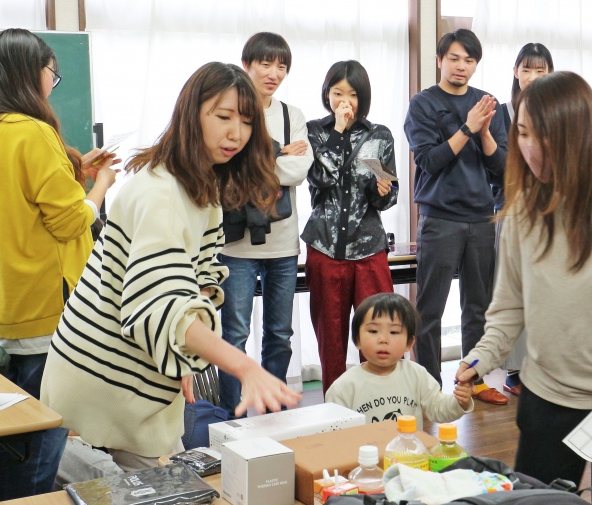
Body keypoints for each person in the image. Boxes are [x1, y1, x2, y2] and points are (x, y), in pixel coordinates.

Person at [40, 62, 301, 472]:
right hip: (105, 377)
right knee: (155, 487)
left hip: (134, 374)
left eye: (248, 122)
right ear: (191, 114)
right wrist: (244, 366)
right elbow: (162, 305)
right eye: (223, 117)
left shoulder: (200, 188)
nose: (237, 133)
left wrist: (180, 352)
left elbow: (194, 282)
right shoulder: (160, 192)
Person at [456, 71, 592, 505]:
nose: (530, 148)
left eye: (546, 137)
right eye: (522, 133)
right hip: (547, 398)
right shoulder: (523, 209)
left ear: (580, 135)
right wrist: (480, 359)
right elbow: (509, 308)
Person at [0, 28, 119, 500]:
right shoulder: (34, 131)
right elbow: (69, 221)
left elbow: (19, 203)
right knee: (43, 440)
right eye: (51, 73)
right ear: (30, 73)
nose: (52, 82)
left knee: (13, 439)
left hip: (1, 304)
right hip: (46, 308)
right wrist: (101, 184)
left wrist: (74, 170)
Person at [403, 29, 508, 404]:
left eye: (469, 60)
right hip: (440, 218)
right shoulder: (423, 104)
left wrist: (485, 132)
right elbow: (429, 160)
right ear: (439, 60)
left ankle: (473, 381)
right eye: (454, 58)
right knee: (430, 309)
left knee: (477, 307)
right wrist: (467, 128)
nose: (461, 66)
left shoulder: (488, 103)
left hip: (481, 218)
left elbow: (502, 168)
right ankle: (430, 385)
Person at [217, 32, 313, 416]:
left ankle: (274, 415)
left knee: (279, 334)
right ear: (247, 65)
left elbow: (299, 170)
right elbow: (225, 165)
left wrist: (257, 160)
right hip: (235, 245)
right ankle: (231, 416)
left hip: (283, 244)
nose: (274, 73)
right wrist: (277, 155)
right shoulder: (230, 111)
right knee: (234, 335)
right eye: (266, 63)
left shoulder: (292, 116)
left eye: (281, 66)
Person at [304, 60, 398, 395]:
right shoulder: (315, 131)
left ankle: (381, 400)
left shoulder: (379, 136)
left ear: (363, 97)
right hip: (325, 246)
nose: (345, 101)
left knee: (379, 330)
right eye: (338, 93)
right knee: (330, 335)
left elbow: (389, 194)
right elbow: (319, 178)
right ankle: (335, 406)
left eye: (353, 94)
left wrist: (382, 190)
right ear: (327, 95)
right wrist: (339, 130)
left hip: (369, 248)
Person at [496, 42, 554, 396]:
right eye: (527, 69)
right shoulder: (503, 113)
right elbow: (499, 166)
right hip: (513, 209)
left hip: (549, 212)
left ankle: (544, 365)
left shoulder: (556, 113)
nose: (532, 77)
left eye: (540, 70)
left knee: (545, 292)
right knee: (514, 291)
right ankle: (515, 371)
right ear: (515, 72)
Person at [325, 293, 473, 431]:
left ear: (409, 343)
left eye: (394, 332)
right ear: (357, 340)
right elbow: (335, 434)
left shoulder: (416, 374)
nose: (383, 339)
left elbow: (438, 408)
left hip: (409, 449)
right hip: (365, 452)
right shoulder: (343, 388)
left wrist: (460, 402)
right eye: (373, 331)